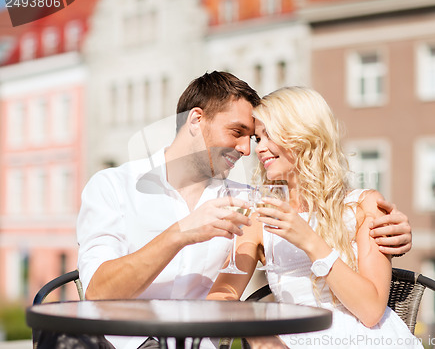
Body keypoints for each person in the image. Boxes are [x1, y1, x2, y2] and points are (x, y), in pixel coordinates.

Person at [75, 72, 412, 349]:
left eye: (260, 137)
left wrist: (399, 230)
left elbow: (369, 307)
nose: (250, 149)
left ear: (304, 138)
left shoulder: (253, 204)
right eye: (241, 133)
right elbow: (99, 293)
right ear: (196, 120)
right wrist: (180, 234)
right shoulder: (113, 187)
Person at [207, 86, 423, 349]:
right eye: (257, 139)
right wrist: (259, 335)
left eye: (268, 136)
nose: (259, 149)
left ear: (303, 135)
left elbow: (370, 311)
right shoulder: (260, 216)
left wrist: (309, 240)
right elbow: (220, 297)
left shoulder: (363, 205)